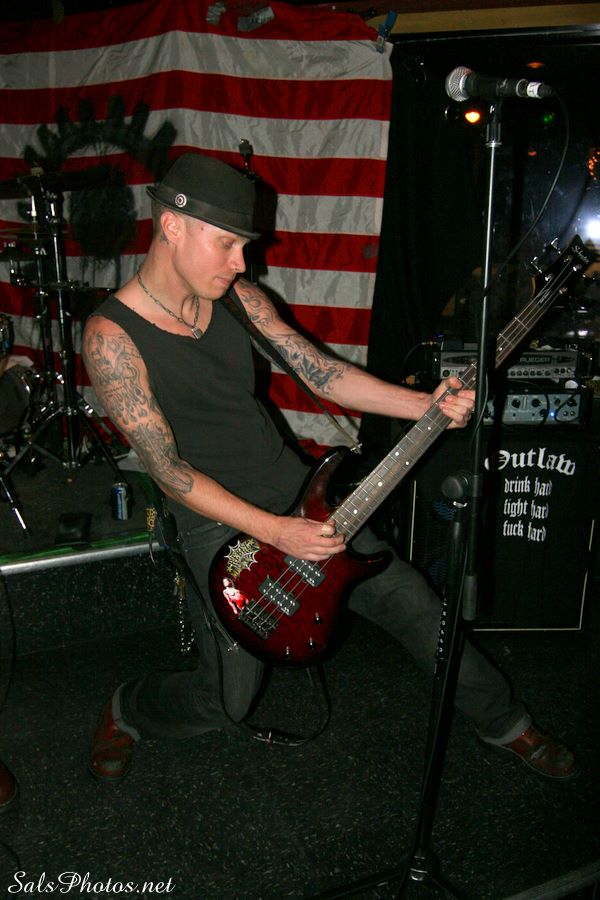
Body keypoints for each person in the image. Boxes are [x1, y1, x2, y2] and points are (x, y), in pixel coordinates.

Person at [82, 152, 576, 783]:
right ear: (172, 226)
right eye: (227, 244)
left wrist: (426, 404)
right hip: (217, 521)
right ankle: (129, 708)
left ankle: (506, 722)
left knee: (411, 601)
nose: (241, 262)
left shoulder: (236, 298)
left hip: (292, 489)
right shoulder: (111, 337)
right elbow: (169, 469)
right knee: (230, 700)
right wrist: (276, 532)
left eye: (243, 246)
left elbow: (322, 373)